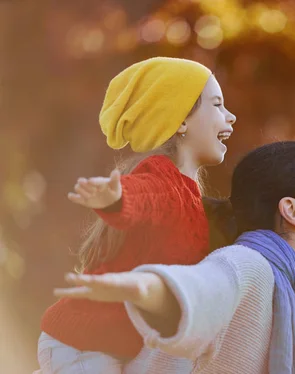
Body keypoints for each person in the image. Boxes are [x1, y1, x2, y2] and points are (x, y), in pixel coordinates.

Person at [55, 140, 295, 374]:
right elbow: (202, 288)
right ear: (293, 210)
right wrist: (149, 290)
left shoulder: (291, 295)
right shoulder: (251, 266)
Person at [38, 56, 237, 374]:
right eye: (217, 105)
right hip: (82, 343)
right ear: (181, 120)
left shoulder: (193, 198)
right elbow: (148, 195)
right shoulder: (163, 176)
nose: (231, 116)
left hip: (120, 348)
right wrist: (118, 197)